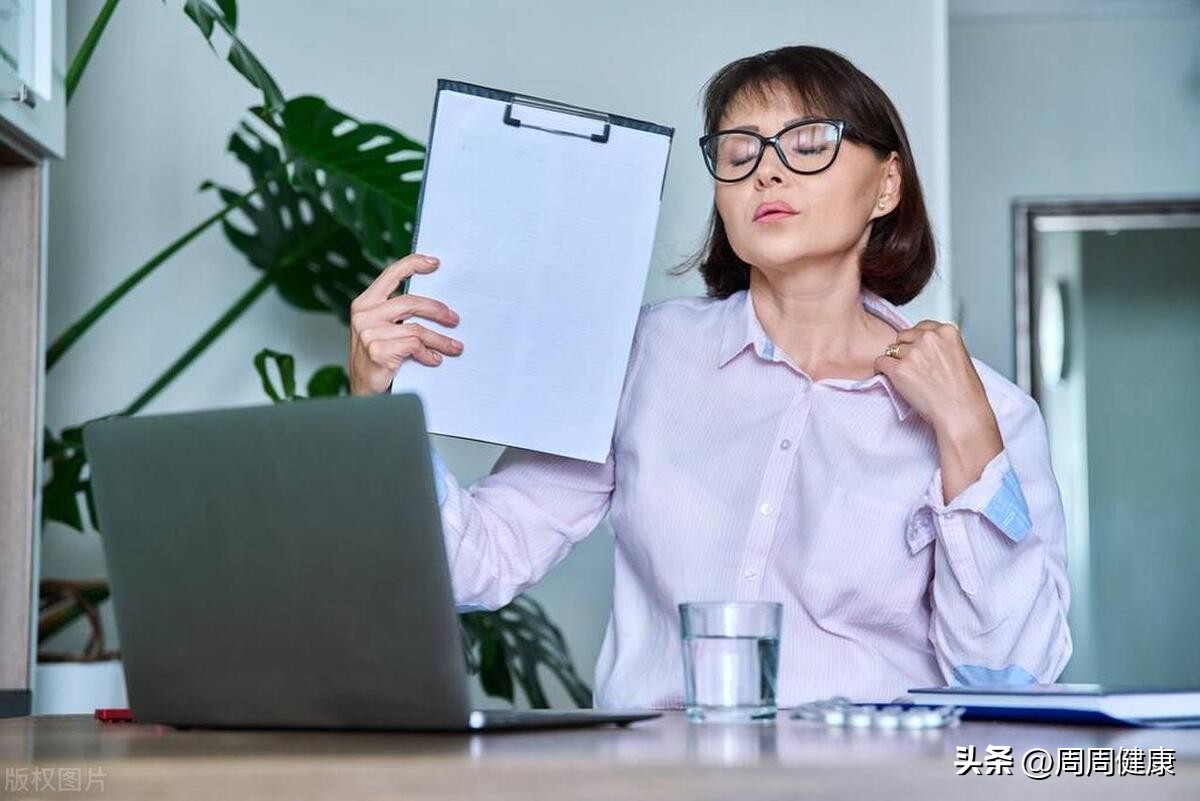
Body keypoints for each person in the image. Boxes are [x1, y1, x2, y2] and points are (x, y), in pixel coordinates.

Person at [347, 45, 1072, 708]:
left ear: (887, 186)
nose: (768, 169)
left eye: (809, 141)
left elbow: (1012, 675)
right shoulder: (642, 357)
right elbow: (479, 560)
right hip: (656, 780)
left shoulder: (991, 412)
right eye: (739, 149)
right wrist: (374, 408)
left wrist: (967, 436)